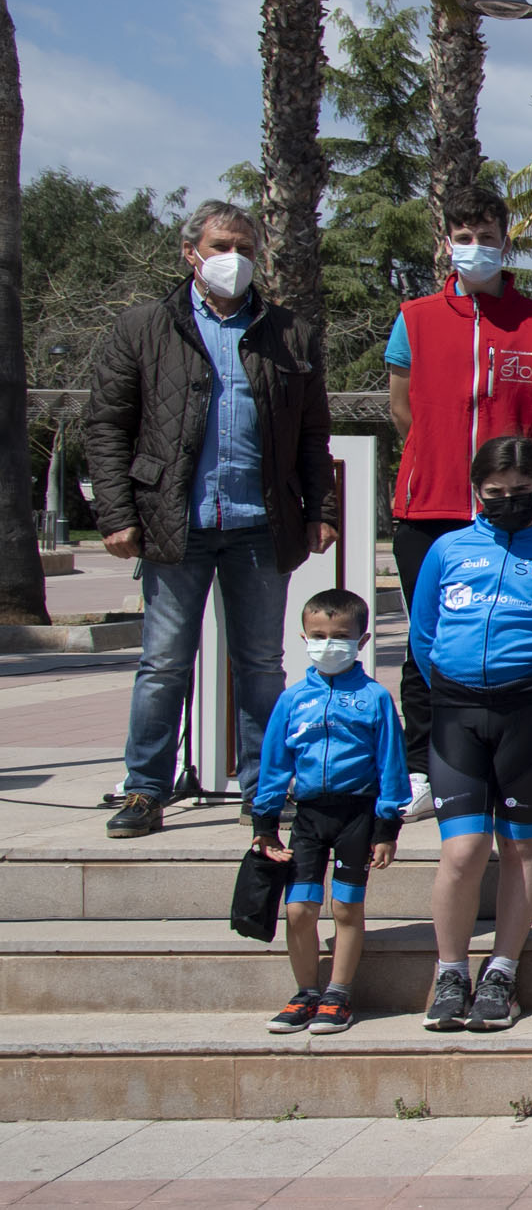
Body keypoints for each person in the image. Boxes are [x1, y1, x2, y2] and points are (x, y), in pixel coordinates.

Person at [88, 201, 338, 839]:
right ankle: (146, 789)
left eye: (248, 249)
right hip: (175, 526)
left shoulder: (290, 333)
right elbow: (107, 429)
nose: (236, 259)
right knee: (163, 661)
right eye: (223, 245)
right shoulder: (141, 329)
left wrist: (321, 511)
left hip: (261, 523)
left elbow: (313, 433)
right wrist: (116, 515)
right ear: (190, 252)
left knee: (260, 662)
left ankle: (266, 788)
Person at [387, 185, 532, 822]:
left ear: (506, 240)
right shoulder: (413, 316)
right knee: (427, 644)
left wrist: (509, 482)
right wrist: (442, 458)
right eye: (463, 236)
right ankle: (422, 768)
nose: (475, 247)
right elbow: (402, 408)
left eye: (486, 236)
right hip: (431, 505)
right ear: (446, 240)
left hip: (511, 508)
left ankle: (523, 775)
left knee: (521, 632)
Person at [413, 436, 532, 1034]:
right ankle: (450, 971)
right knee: (463, 849)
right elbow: (423, 634)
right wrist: (453, 678)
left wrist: (530, 683)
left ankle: (502, 972)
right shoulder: (447, 550)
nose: (508, 503)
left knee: (520, 845)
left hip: (529, 714)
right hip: (457, 713)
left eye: (521, 494)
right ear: (477, 493)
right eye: (494, 495)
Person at [253, 588, 407, 1037]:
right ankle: (305, 992)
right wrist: (264, 822)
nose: (328, 644)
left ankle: (338, 994)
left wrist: (387, 827)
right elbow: (274, 763)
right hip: (308, 819)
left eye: (340, 635)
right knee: (299, 910)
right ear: (304, 637)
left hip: (356, 817)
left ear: (360, 641)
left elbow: (391, 764)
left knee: (345, 908)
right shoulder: (292, 698)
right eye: (318, 635)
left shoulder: (375, 698)